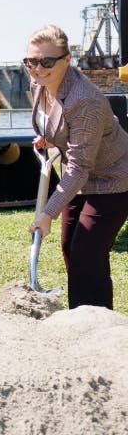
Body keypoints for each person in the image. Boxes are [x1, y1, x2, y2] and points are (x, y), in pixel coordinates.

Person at [24, 25, 128, 310]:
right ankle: (81, 313)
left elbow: (80, 166)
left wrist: (47, 213)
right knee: (71, 247)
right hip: (79, 178)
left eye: (47, 61)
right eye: (31, 61)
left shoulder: (85, 99)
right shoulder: (37, 85)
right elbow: (57, 122)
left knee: (87, 252)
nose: (38, 68)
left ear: (66, 60)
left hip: (113, 178)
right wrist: (50, 138)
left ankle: (96, 322)